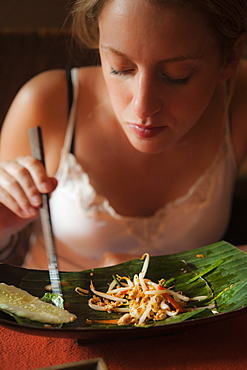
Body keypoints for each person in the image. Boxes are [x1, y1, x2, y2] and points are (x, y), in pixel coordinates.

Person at [0, 0, 247, 271]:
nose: (142, 108)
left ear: (230, 58)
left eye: (177, 75)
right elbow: (9, 258)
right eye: (120, 67)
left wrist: (165, 271)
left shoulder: (237, 100)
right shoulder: (46, 102)